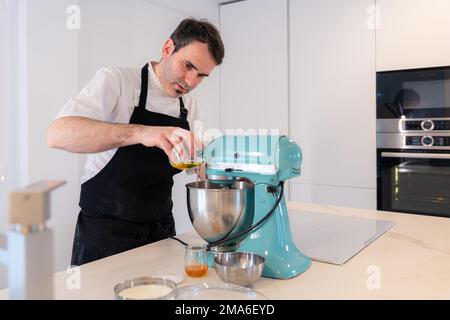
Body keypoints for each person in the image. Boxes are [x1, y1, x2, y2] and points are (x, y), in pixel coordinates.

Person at [47, 18, 225, 266]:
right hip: (105, 236)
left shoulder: (189, 106)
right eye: (188, 66)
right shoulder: (117, 81)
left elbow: (201, 169)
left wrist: (214, 167)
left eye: (201, 76)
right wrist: (141, 133)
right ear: (167, 49)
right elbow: (57, 134)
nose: (191, 81)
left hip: (161, 235)